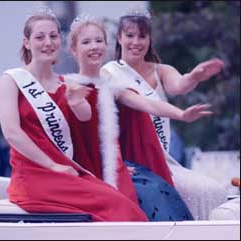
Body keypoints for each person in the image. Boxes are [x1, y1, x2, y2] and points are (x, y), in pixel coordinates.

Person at [0, 7, 148, 222]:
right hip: (34, 176)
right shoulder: (11, 80)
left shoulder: (67, 83)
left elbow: (85, 121)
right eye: (40, 37)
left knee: (121, 200)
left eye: (53, 36)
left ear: (60, 40)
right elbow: (12, 133)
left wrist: (77, 102)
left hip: (66, 172)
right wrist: (52, 166)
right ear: (26, 42)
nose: (48, 42)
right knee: (115, 205)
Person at [64, 13, 218, 221]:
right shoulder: (95, 78)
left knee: (179, 192)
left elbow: (156, 100)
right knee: (158, 195)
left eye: (99, 41)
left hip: (151, 157)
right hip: (103, 165)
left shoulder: (123, 81)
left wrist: (186, 102)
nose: (136, 42)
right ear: (119, 38)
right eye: (130, 35)